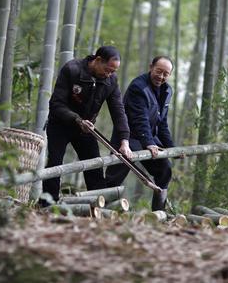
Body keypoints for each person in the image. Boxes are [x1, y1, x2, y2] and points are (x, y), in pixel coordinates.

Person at [41, 46, 132, 205]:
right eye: (107, 70)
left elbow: (118, 110)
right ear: (97, 60)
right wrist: (77, 120)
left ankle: (99, 205)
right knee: (55, 164)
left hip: (86, 128)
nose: (109, 74)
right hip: (60, 124)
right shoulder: (72, 69)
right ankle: (48, 205)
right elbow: (56, 103)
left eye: (113, 72)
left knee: (95, 166)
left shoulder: (111, 80)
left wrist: (125, 140)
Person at [106, 56, 175, 211]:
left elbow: (162, 122)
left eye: (166, 74)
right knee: (114, 177)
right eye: (158, 71)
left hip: (150, 137)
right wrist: (149, 143)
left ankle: (159, 213)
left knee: (164, 169)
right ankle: (102, 210)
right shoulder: (138, 87)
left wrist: (171, 147)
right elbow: (139, 119)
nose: (161, 76)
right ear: (151, 67)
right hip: (128, 137)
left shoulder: (167, 90)